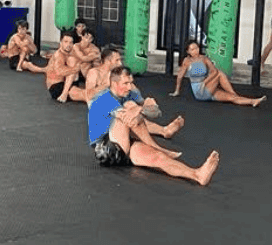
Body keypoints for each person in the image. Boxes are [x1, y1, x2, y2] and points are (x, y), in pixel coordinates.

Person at [88, 66, 220, 186]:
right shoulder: (103, 99)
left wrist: (145, 107)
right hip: (105, 149)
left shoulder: (129, 94)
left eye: (131, 82)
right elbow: (130, 118)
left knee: (158, 157)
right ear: (114, 84)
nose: (129, 87)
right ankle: (158, 146)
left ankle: (197, 175)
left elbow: (156, 112)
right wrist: (141, 107)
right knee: (131, 107)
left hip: (123, 144)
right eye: (125, 83)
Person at [85, 46, 169, 126]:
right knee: (129, 113)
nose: (120, 63)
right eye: (117, 60)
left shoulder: (117, 73)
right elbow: (89, 96)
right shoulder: (94, 73)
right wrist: (106, 84)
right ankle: (163, 130)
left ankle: (163, 130)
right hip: (102, 107)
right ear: (108, 61)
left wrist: (145, 103)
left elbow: (135, 94)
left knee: (132, 106)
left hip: (119, 102)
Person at [171, 40, 266, 107]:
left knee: (231, 98)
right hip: (199, 91)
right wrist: (177, 91)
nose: (195, 51)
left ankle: (253, 101)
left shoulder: (204, 58)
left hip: (207, 87)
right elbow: (180, 76)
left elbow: (213, 71)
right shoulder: (187, 61)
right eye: (192, 49)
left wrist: (206, 81)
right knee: (220, 73)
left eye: (196, 48)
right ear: (188, 51)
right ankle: (235, 93)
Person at [45, 31, 88, 103]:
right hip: (56, 86)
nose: (68, 45)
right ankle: (64, 94)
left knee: (73, 61)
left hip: (69, 82)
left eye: (71, 42)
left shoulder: (72, 53)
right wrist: (75, 69)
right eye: (66, 42)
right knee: (83, 94)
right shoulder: (59, 55)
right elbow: (59, 72)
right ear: (61, 42)